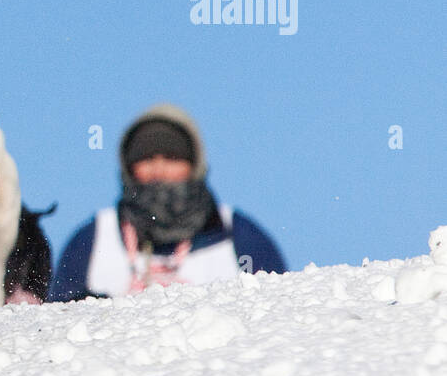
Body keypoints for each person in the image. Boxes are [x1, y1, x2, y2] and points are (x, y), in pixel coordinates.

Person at [49, 104, 285, 301]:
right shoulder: (93, 240)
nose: (158, 170)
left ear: (195, 165)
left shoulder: (239, 237)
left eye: (172, 158)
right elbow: (56, 330)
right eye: (146, 158)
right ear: (128, 168)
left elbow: (276, 322)